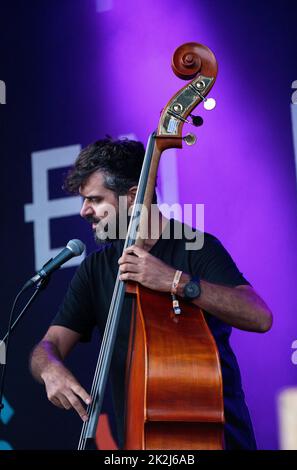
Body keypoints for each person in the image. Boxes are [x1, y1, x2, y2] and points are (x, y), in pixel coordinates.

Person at [30, 137, 273, 450]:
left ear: (132, 197)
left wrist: (175, 280)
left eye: (95, 200)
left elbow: (259, 315)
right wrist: (50, 368)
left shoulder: (195, 246)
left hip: (219, 439)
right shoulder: (95, 268)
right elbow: (48, 345)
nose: (84, 211)